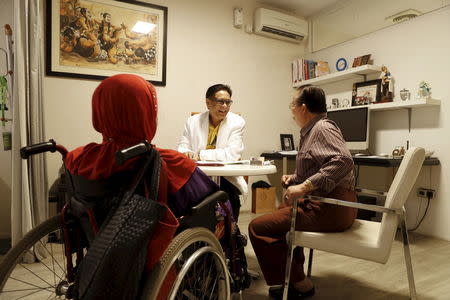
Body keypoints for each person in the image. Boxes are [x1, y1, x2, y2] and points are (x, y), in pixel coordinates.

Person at [64, 74, 223, 270]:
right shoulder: (165, 160)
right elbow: (209, 198)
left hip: (100, 242)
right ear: (145, 112)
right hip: (144, 243)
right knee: (221, 204)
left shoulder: (80, 157)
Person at [248, 85, 357, 300]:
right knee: (282, 212)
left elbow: (343, 161)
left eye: (292, 105)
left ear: (303, 107)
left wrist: (304, 186)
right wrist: (295, 180)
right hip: (325, 203)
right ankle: (291, 277)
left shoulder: (322, 128)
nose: (291, 110)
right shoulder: (312, 130)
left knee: (257, 228)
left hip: (332, 207)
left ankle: (300, 283)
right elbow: (318, 166)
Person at [177, 84, 247, 220]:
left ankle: (231, 231)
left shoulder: (237, 122)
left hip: (226, 178)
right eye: (221, 101)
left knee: (229, 198)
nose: (225, 106)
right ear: (208, 103)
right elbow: (182, 147)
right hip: (198, 175)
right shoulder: (192, 121)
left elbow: (232, 155)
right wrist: (186, 152)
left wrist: (199, 155)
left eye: (228, 102)